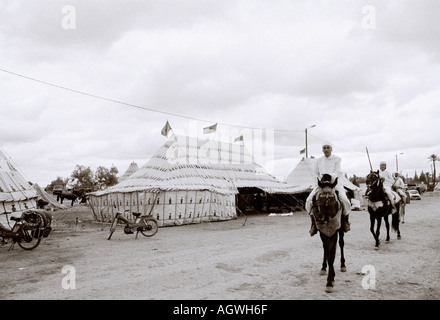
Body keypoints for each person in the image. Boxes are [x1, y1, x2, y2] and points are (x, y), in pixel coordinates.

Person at [305, 142, 351, 236]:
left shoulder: (337, 159)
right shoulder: (318, 160)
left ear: (331, 149)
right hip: (321, 185)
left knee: (345, 200)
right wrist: (319, 181)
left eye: (328, 148)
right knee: (309, 200)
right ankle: (313, 223)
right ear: (322, 149)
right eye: (324, 148)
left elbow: (338, 171)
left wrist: (329, 177)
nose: (326, 149)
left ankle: (345, 221)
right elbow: (315, 173)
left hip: (335, 184)